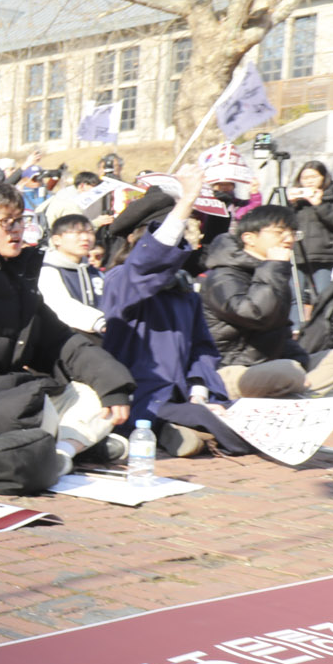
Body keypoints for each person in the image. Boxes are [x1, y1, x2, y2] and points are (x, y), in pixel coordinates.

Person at [0, 148, 136, 477]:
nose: (16, 228)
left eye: (19, 220)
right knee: (32, 406)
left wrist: (113, 384)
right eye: (5, 222)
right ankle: (72, 442)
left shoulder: (19, 283)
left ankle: (62, 451)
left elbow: (62, 343)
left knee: (91, 397)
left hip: (2, 393)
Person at [98, 167, 248, 457]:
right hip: (142, 395)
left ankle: (182, 427)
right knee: (212, 422)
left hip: (181, 394)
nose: (183, 247)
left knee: (231, 415)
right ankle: (177, 428)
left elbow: (201, 349)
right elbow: (149, 261)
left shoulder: (183, 291)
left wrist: (200, 393)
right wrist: (185, 202)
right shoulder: (122, 281)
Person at [201, 204, 333, 398]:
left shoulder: (271, 271)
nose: (288, 239)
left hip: (271, 365)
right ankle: (300, 395)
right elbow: (255, 314)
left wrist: (300, 361)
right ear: (249, 238)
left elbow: (280, 330)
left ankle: (299, 394)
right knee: (285, 372)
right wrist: (274, 266)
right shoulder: (224, 276)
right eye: (279, 232)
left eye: (293, 233)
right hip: (231, 371)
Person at [38, 214, 107, 335]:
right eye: (77, 233)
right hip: (67, 342)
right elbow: (60, 305)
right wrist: (99, 322)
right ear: (56, 239)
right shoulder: (48, 270)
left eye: (90, 232)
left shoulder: (93, 271)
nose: (85, 237)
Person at [289, 160, 333, 294]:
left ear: (323, 177)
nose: (309, 181)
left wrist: (319, 204)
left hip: (323, 255)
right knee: (295, 295)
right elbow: (283, 224)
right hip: (297, 252)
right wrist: (290, 204)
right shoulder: (296, 200)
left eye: (314, 177)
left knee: (322, 295)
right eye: (305, 178)